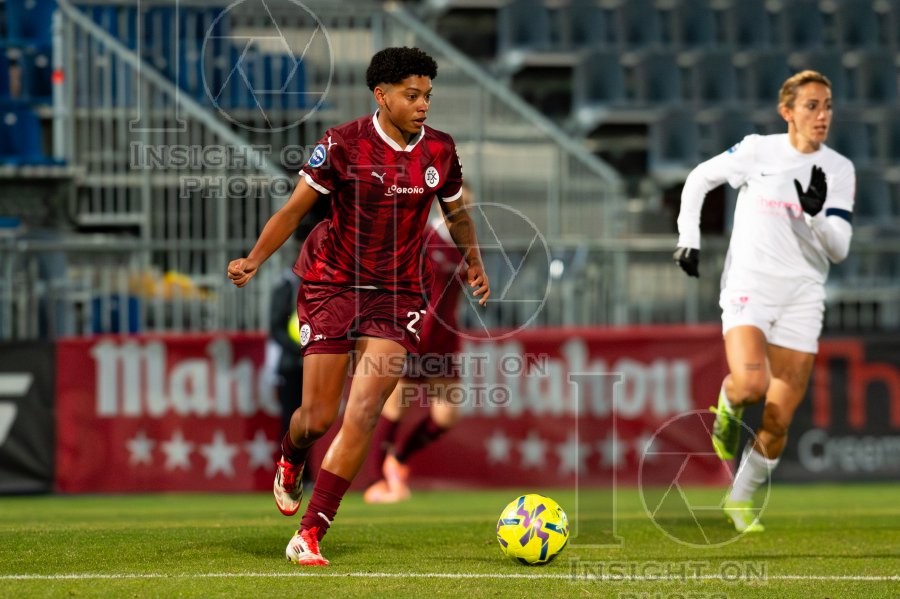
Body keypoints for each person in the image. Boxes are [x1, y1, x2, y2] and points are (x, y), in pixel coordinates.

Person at [227, 46, 490, 566]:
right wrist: (254, 259)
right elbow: (293, 210)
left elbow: (456, 213)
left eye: (427, 96)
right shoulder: (342, 143)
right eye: (412, 96)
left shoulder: (440, 150)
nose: (422, 105)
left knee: (366, 411)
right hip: (333, 283)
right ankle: (291, 453)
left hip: (398, 294)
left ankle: (310, 532)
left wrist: (475, 261)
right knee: (318, 418)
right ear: (382, 95)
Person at [673, 70, 855, 533]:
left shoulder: (839, 170)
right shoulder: (758, 150)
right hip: (750, 285)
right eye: (812, 105)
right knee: (752, 386)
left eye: (828, 105)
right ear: (787, 111)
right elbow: (699, 179)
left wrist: (814, 216)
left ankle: (739, 500)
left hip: (803, 297)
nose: (822, 115)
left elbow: (839, 248)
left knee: (777, 419)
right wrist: (689, 237)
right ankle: (729, 405)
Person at [362, 187, 471, 505]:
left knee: (447, 416)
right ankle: (376, 481)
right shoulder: (424, 237)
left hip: (444, 340)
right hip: (415, 332)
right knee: (395, 406)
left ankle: (398, 459)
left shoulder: (465, 246)